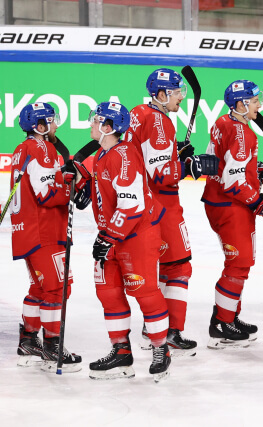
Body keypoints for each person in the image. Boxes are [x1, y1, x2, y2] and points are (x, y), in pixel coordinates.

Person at [76, 101, 171, 381]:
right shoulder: (105, 153)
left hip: (136, 236)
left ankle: (160, 349)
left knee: (145, 292)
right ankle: (121, 353)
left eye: (95, 120)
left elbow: (131, 204)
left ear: (108, 127)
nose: (91, 124)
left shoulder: (124, 154)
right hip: (112, 235)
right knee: (108, 292)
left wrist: (109, 236)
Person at [126, 68, 218, 356]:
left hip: (139, 202)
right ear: (162, 95)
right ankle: (170, 333)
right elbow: (161, 173)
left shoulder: (138, 112)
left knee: (163, 266)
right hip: (161, 205)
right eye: (177, 92)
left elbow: (144, 156)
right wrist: (191, 166)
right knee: (178, 266)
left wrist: (177, 152)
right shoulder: (160, 121)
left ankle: (153, 326)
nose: (181, 96)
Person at [202, 80, 263, 348]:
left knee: (240, 262)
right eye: (255, 100)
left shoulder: (225, 122)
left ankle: (230, 317)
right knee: (239, 263)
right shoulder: (242, 133)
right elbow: (232, 182)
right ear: (240, 104)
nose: (260, 104)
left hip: (219, 202)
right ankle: (222, 323)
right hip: (230, 205)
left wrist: (252, 171)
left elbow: (226, 165)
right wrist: (259, 201)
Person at [11, 102, 83, 372]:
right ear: (39, 127)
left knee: (40, 289)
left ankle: (28, 342)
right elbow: (46, 193)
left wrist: (62, 178)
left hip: (27, 233)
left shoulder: (22, 150)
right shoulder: (41, 148)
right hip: (46, 232)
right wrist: (71, 188)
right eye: (52, 122)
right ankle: (53, 347)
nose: (56, 126)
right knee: (56, 289)